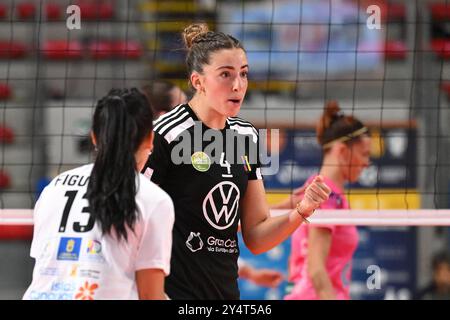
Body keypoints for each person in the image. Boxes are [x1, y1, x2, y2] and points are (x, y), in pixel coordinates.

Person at [141, 23, 331, 300]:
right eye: (225, 75)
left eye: (243, 74)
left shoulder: (245, 136)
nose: (238, 85)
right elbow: (132, 221)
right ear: (198, 81)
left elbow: (255, 235)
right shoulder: (167, 133)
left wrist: (302, 210)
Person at [23, 88, 175, 300]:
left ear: (94, 137)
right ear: (150, 139)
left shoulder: (54, 187)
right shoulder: (154, 199)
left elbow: (45, 266)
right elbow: (150, 296)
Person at [142, 80, 285, 289]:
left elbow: (215, 226)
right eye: (182, 105)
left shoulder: (236, 139)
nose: (189, 109)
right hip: (169, 285)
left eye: (243, 73)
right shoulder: (161, 150)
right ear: (165, 115)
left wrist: (250, 273)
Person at [278, 100, 371, 300]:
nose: (367, 163)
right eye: (364, 154)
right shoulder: (326, 194)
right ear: (343, 152)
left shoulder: (320, 190)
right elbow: (316, 271)